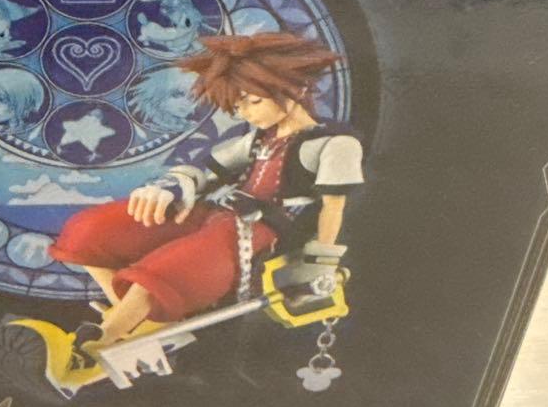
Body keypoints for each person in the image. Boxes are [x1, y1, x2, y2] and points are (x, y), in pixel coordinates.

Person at [49, 31, 363, 351]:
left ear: (296, 88)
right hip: (216, 212)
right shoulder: (258, 140)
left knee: (165, 270)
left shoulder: (334, 144)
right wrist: (171, 189)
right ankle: (139, 322)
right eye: (238, 106)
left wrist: (321, 264)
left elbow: (333, 208)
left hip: (260, 233)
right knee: (90, 232)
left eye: (254, 101)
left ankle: (99, 342)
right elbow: (207, 172)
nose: (246, 113)